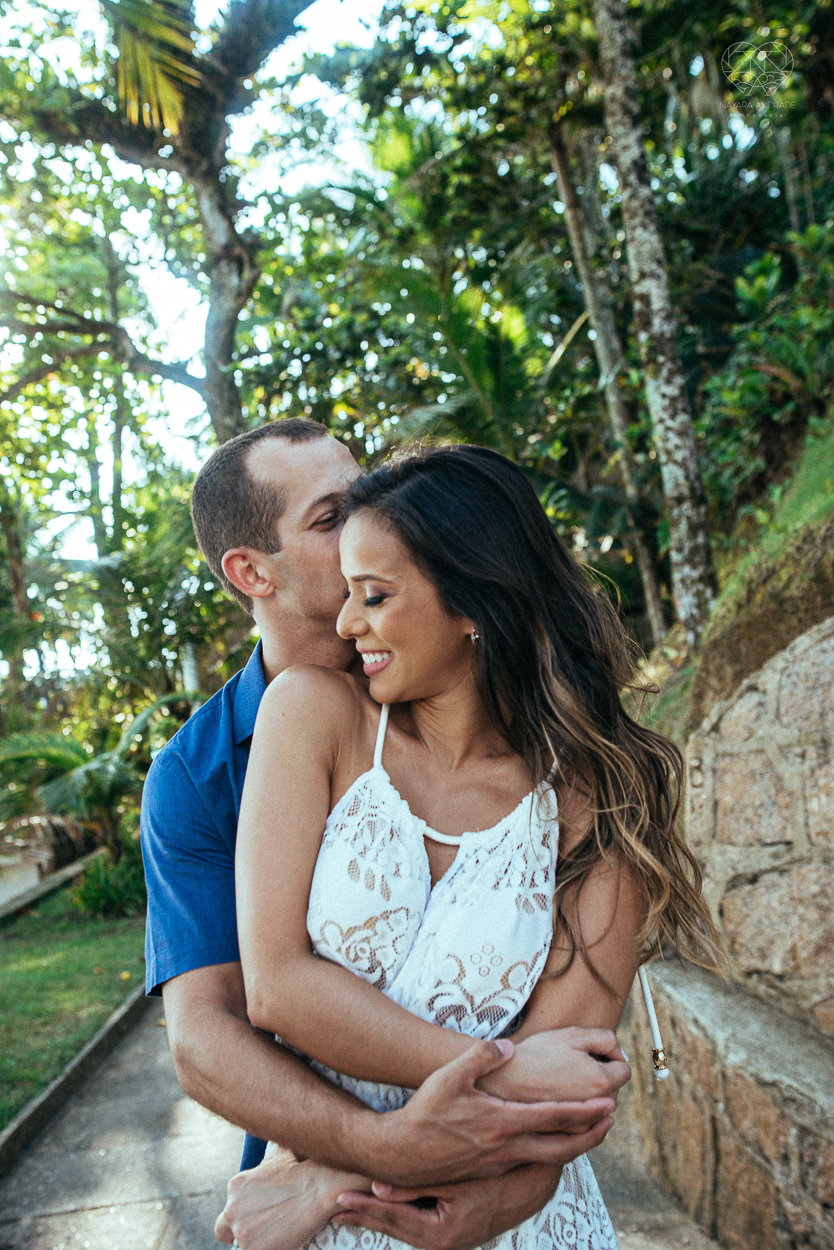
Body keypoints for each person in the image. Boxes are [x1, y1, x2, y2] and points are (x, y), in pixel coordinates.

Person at [141, 420, 630, 1250]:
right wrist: (365, 1157)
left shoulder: (580, 777)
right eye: (332, 517)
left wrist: (494, 1183)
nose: (372, 518)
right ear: (251, 571)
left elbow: (573, 1077)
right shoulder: (204, 773)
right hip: (313, 1172)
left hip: (505, 1198)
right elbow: (211, 1033)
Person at [223, 444, 722, 1250]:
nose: (348, 625)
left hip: (508, 1218)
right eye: (349, 593)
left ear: (472, 604)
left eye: (374, 596)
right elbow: (277, 988)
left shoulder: (603, 801)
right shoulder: (312, 716)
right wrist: (506, 1066)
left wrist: (329, 1176)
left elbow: (564, 1106)